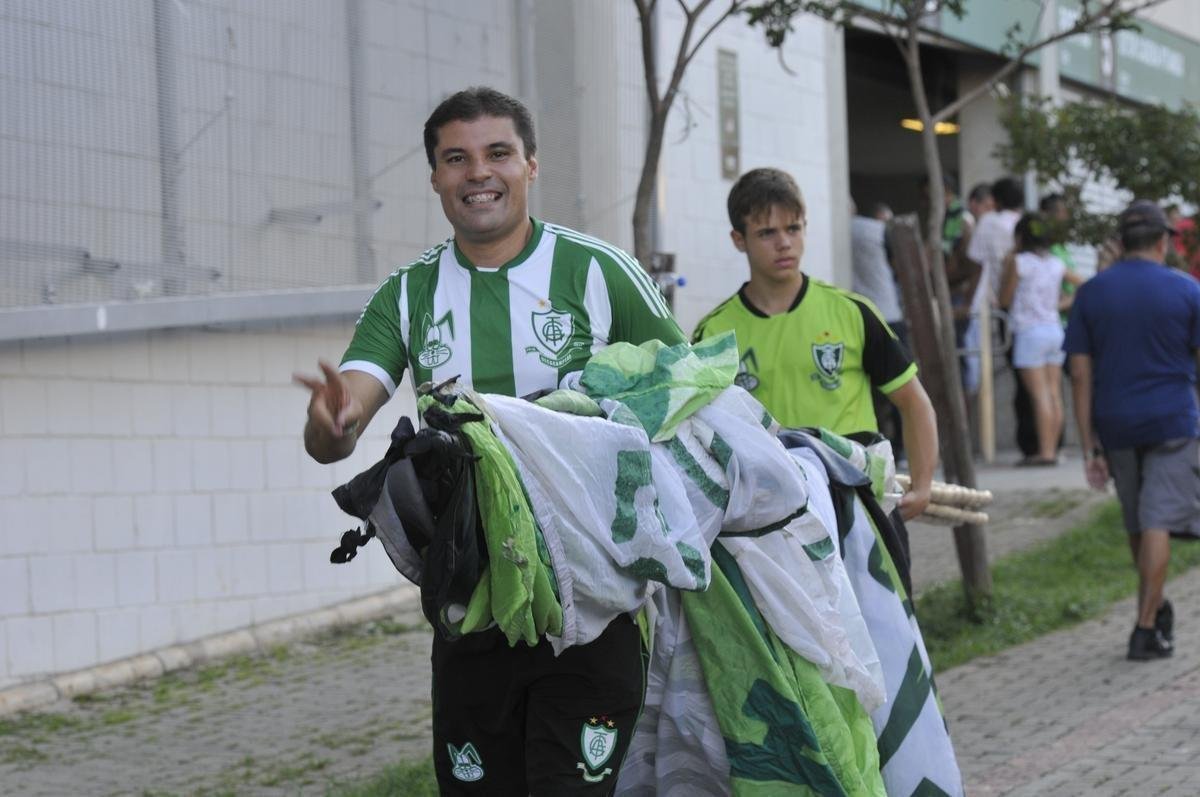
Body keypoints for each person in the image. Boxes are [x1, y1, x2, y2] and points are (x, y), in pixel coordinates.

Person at [295, 87, 685, 793]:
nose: (478, 172)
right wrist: (332, 423)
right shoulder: (407, 295)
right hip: (471, 610)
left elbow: (685, 394)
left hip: (593, 611)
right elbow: (342, 416)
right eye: (457, 158)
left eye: (497, 153)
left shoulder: (599, 271)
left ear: (530, 165)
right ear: (437, 177)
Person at [692, 167, 937, 524]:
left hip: (859, 503)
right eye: (766, 232)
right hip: (772, 513)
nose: (784, 243)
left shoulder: (853, 312)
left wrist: (923, 483)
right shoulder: (714, 333)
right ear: (738, 239)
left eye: (793, 228)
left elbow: (914, 402)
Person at [1064, 199, 1200, 661]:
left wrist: (1089, 447)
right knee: (1157, 519)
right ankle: (1146, 627)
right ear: (1165, 241)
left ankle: (1155, 609)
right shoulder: (1187, 290)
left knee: (1139, 523)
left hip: (1116, 421)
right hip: (1174, 420)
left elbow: (1080, 375)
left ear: (1120, 243)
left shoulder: (1091, 294)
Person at [998, 212, 1081, 465]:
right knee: (1054, 393)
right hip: (1054, 330)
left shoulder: (1020, 262)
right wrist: (1061, 304)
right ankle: (1053, 449)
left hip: (1029, 332)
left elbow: (1004, 299)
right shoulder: (1055, 263)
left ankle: (1045, 453)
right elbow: (1082, 284)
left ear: (1021, 237)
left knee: (1039, 395)